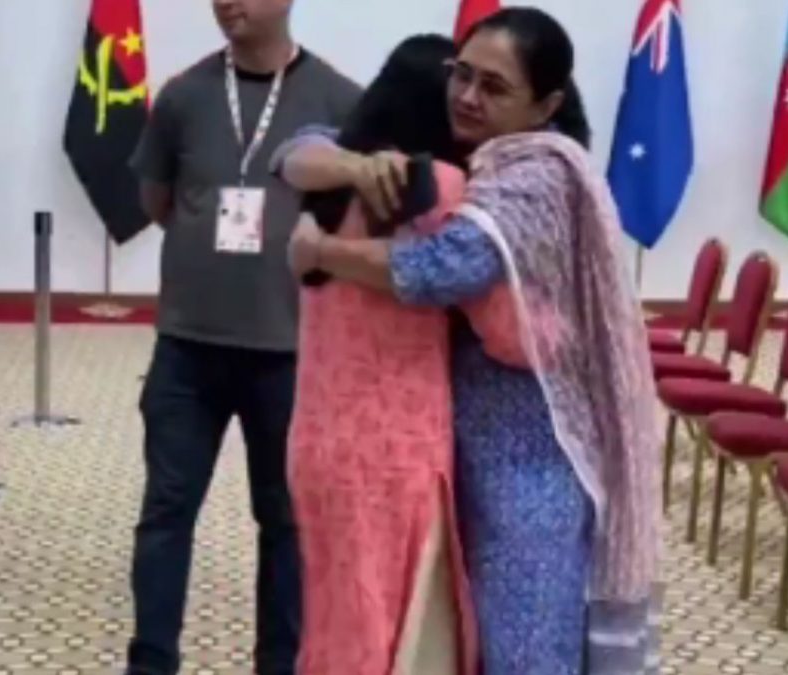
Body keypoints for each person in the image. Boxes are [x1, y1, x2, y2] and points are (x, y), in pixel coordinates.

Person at [278, 8, 662, 674]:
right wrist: (354, 166)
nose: (468, 97)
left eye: (494, 87)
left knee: (514, 649)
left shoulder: (537, 175)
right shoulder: (450, 176)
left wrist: (322, 250)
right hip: (448, 454)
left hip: (529, 468)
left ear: (546, 104)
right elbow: (298, 148)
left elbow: (446, 270)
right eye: (462, 76)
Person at [124, 0, 361, 672]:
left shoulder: (341, 101)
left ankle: (280, 662)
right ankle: (150, 660)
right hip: (187, 347)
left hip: (289, 353)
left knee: (285, 524)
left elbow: (353, 220)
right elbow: (159, 201)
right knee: (166, 512)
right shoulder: (182, 96)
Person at [287, 34, 480, 675]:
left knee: (336, 613)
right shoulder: (447, 188)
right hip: (400, 443)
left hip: (319, 436)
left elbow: (291, 157)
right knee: (393, 623)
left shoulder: (325, 188)